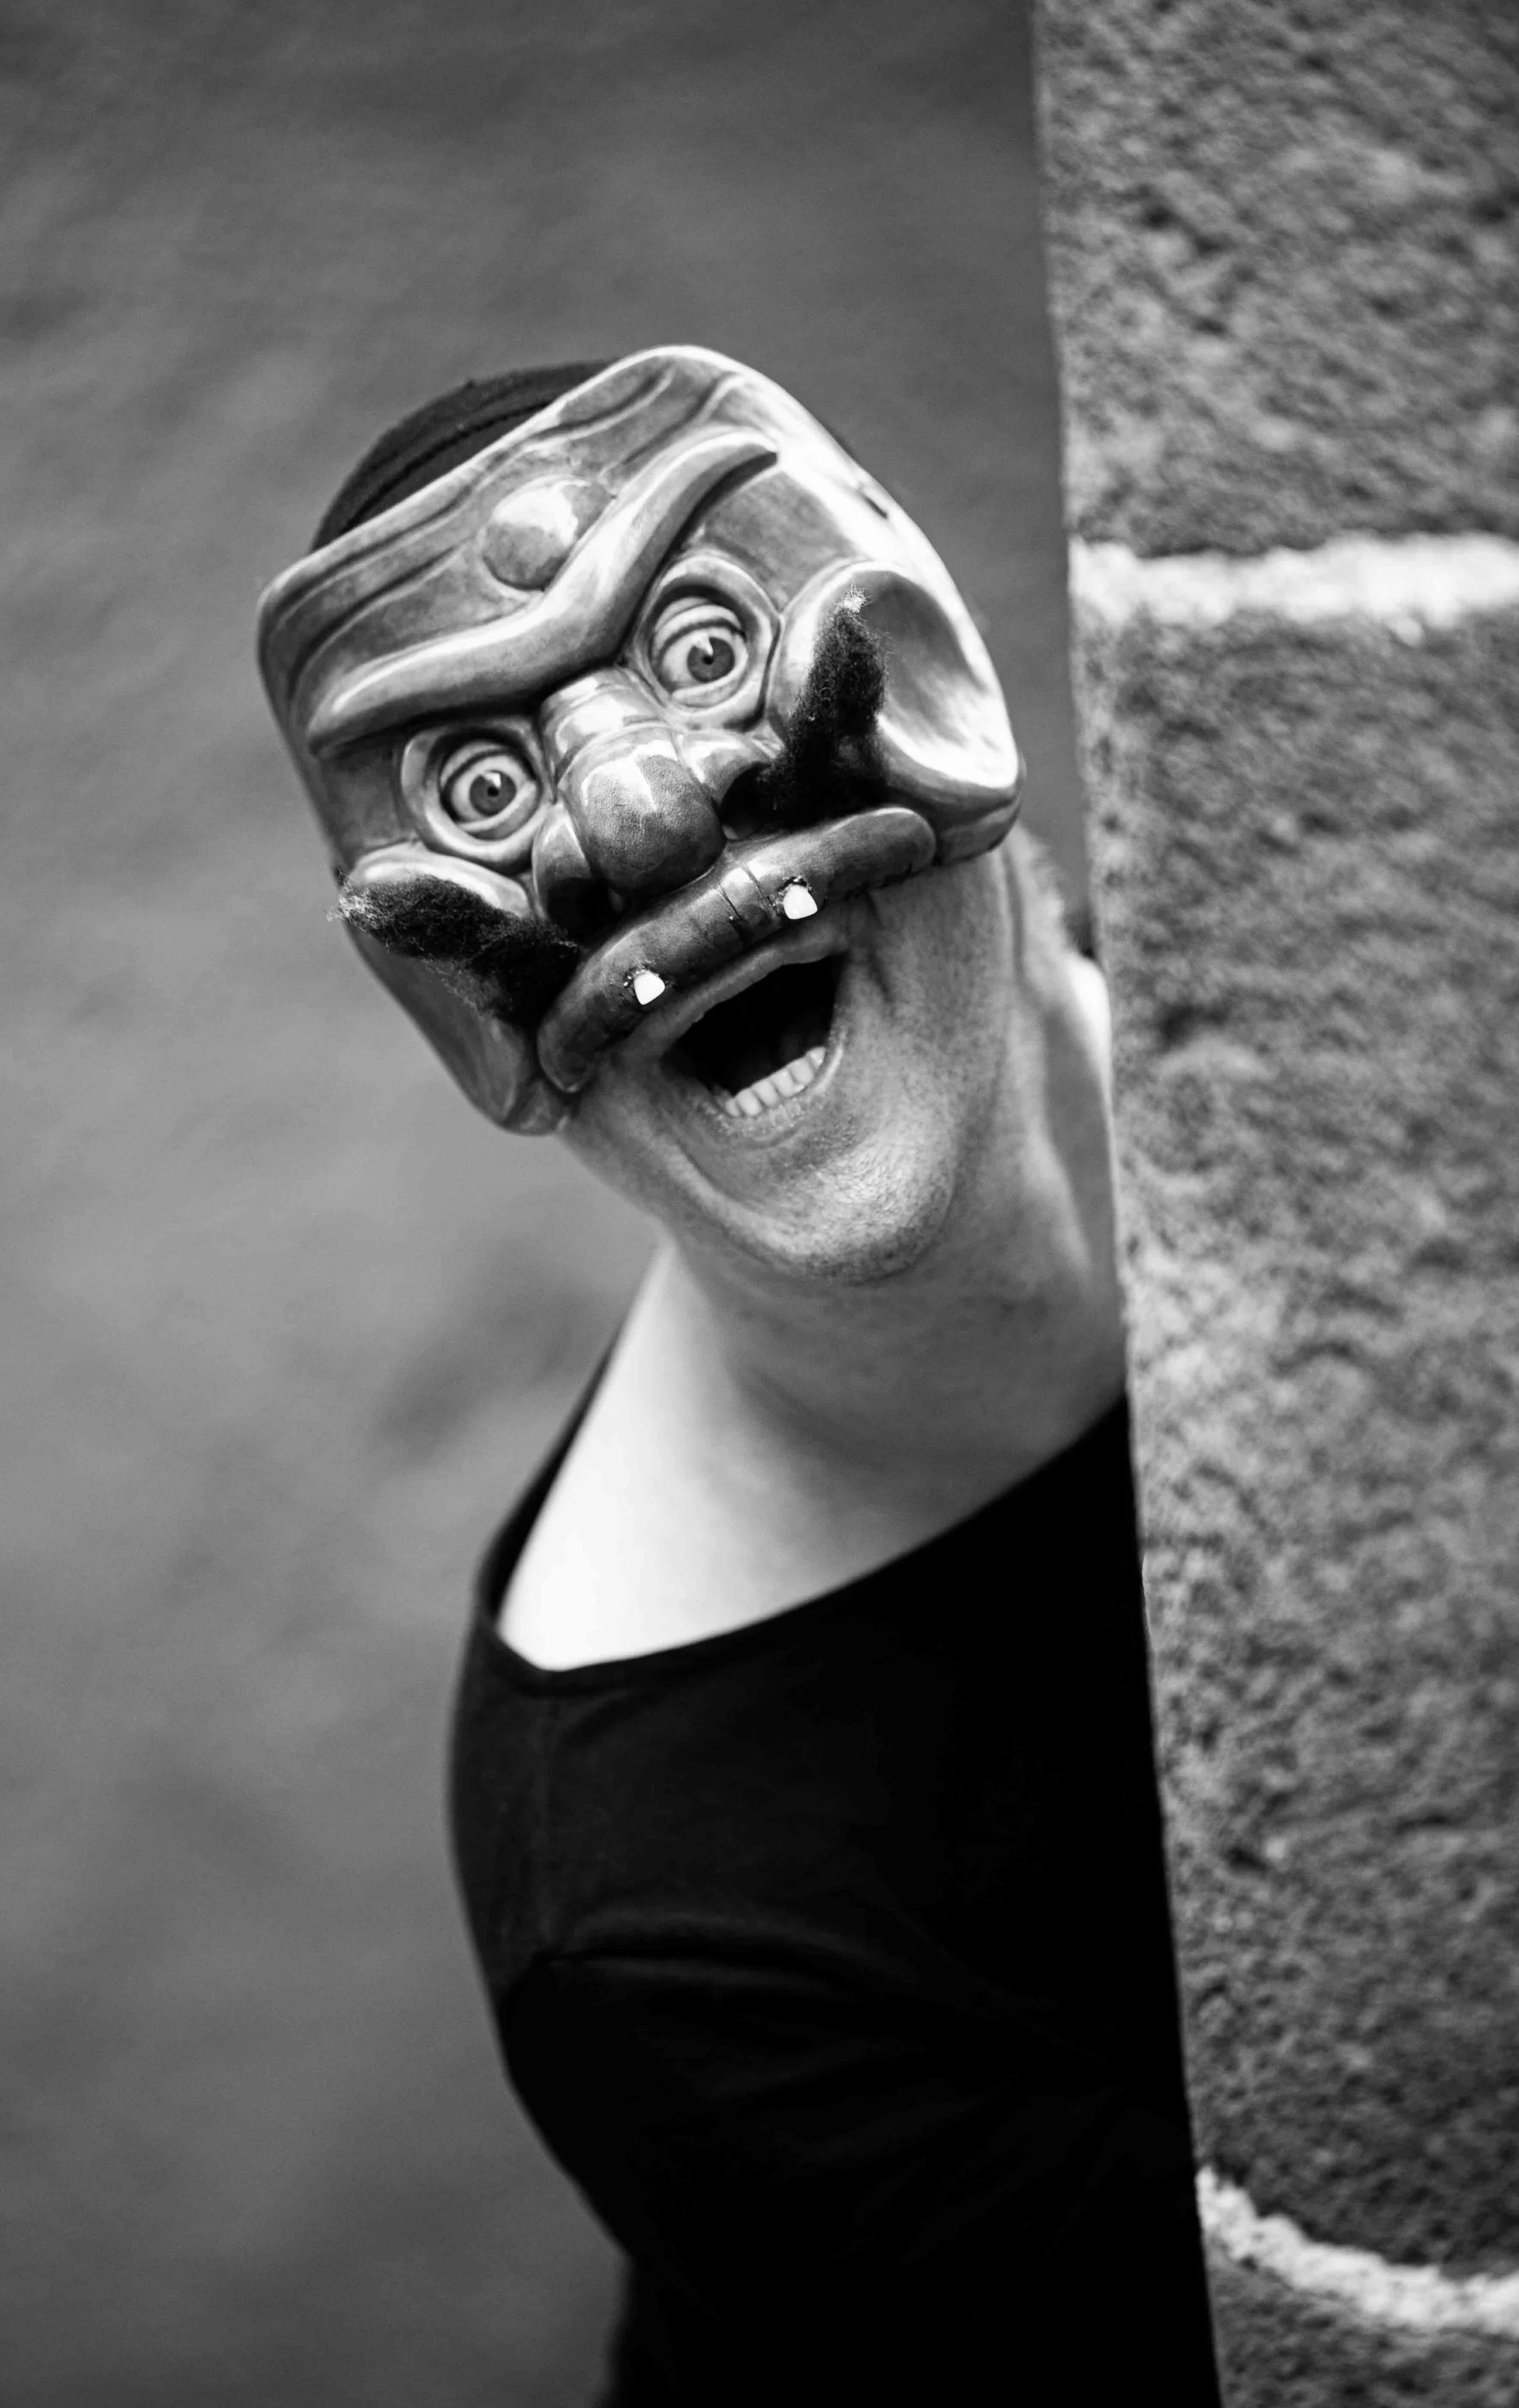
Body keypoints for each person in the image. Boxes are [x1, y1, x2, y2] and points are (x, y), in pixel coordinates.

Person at [258, 349, 1222, 2403]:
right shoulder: (656, 1923)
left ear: (928, 672)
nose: (632, 808)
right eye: (485, 792)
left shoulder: (1373, 1116)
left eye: (699, 648)